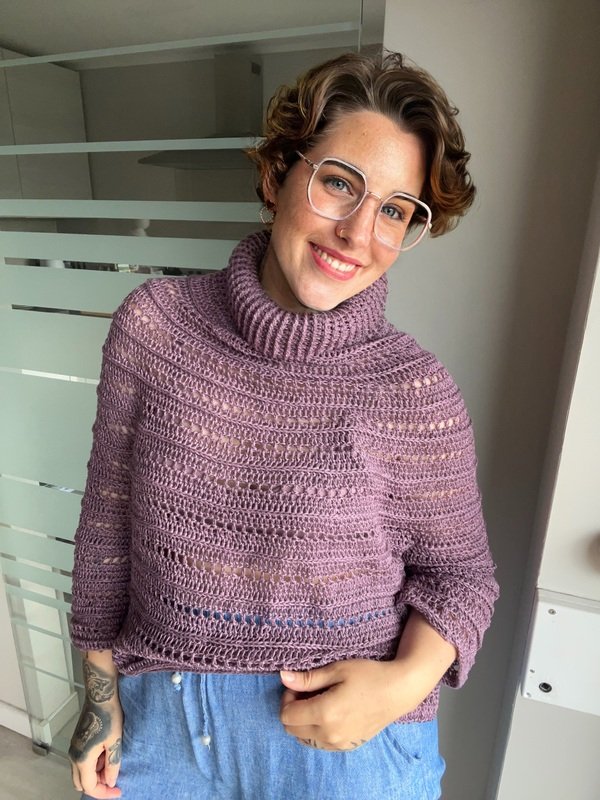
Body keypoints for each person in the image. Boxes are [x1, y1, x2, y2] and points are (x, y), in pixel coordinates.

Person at [68, 51, 498, 800]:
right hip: (164, 733)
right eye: (340, 183)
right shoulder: (155, 328)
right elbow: (108, 527)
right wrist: (98, 699)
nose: (358, 233)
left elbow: (463, 578)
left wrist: (401, 684)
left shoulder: (414, 391)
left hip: (344, 754)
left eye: (395, 210)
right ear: (276, 176)